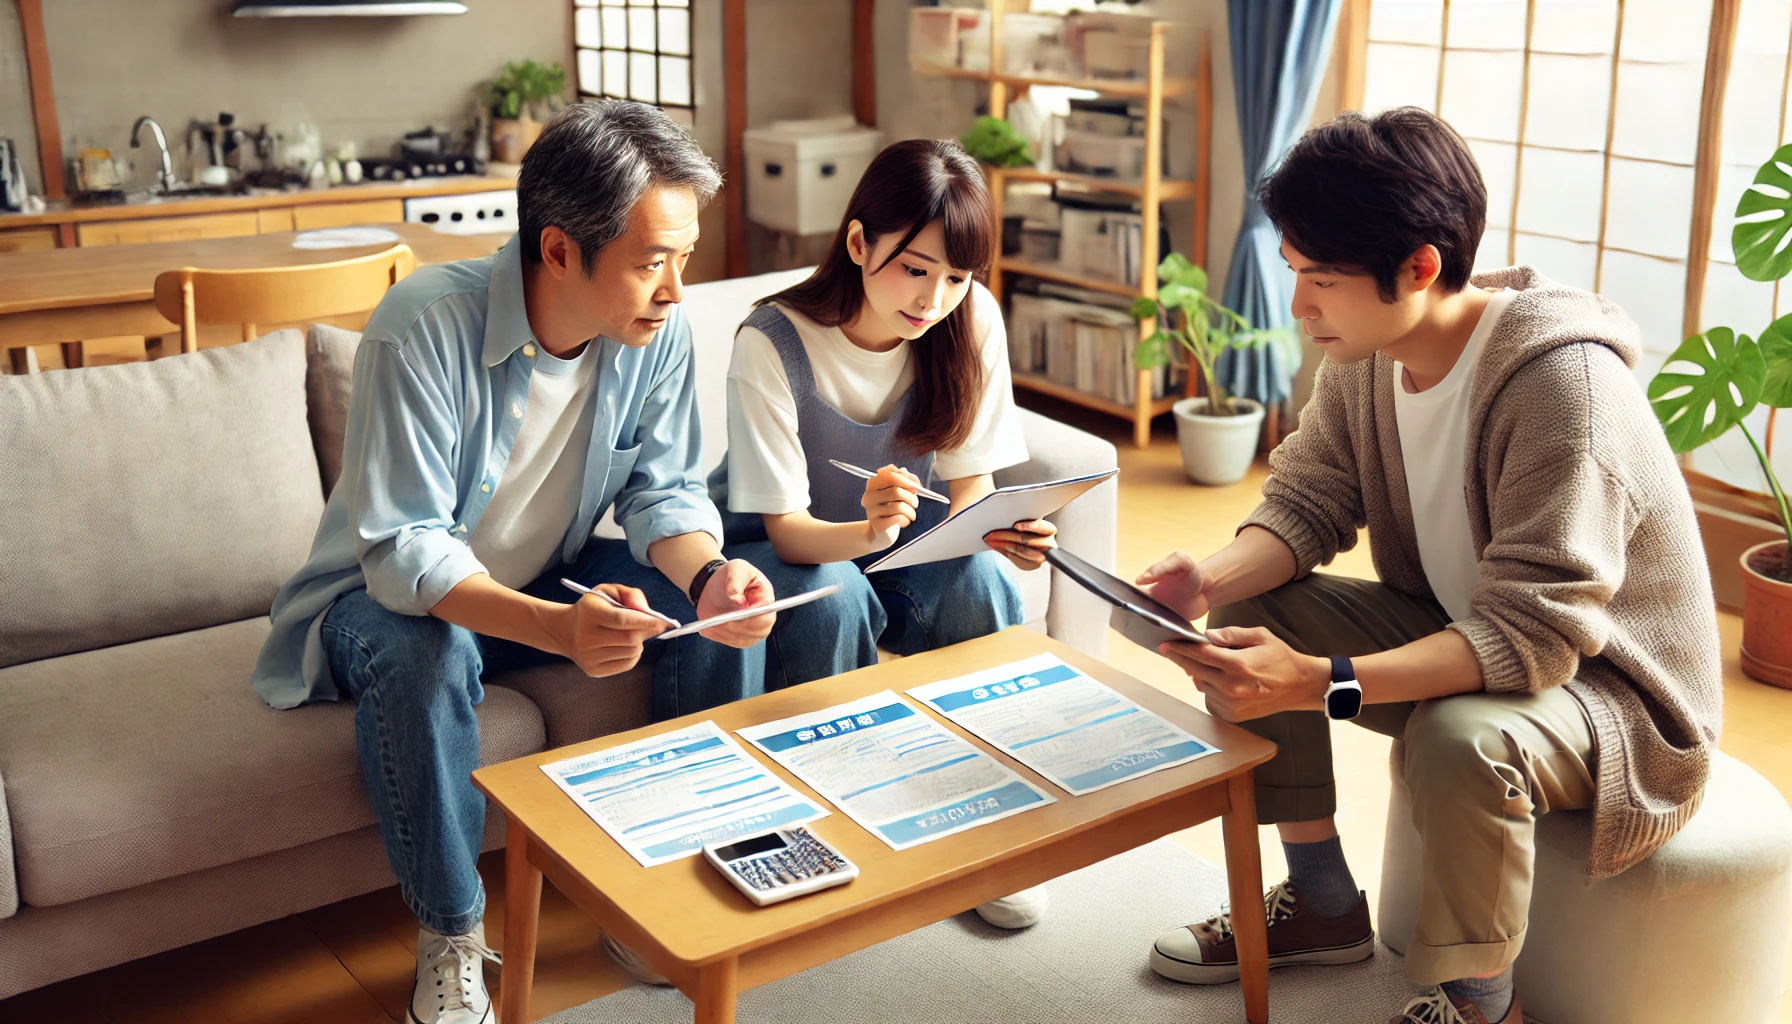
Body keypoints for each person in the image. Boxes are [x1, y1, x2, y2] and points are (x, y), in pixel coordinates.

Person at [250, 100, 879, 1024]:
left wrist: (707, 576)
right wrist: (556, 628)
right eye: (652, 261)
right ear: (557, 252)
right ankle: (454, 932)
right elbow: (405, 551)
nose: (676, 290)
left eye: (684, 257)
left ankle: (670, 880)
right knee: (425, 653)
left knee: (753, 595)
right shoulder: (421, 327)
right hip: (384, 603)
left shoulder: (652, 335)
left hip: (547, 574)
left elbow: (663, 494)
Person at [1136, 107, 1722, 1024]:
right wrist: (1207, 580)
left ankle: (1480, 1004)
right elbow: (1307, 501)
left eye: (1320, 280)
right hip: (1475, 632)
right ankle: (1324, 904)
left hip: (1612, 693)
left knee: (1459, 739)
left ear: (1418, 267)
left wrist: (1323, 683)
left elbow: (1537, 636)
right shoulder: (1367, 356)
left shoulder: (1561, 389)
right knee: (1260, 618)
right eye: (1296, 273)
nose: (1299, 307)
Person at [711, 138, 1058, 928]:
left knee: (987, 581)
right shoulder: (771, 342)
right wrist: (867, 532)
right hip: (783, 552)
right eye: (914, 268)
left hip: (899, 546)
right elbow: (791, 536)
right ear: (860, 243)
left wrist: (1000, 531)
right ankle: (828, 831)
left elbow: (969, 486)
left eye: (956, 276)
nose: (933, 297)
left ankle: (988, 826)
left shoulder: (968, 320)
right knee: (831, 597)